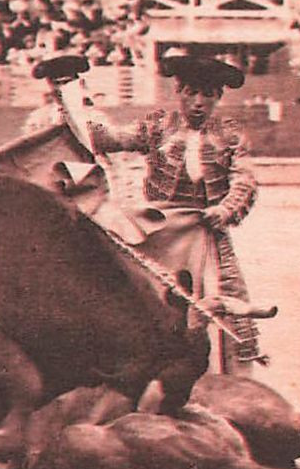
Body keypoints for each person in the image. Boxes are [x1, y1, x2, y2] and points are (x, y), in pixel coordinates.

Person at [88, 53, 269, 373]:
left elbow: (245, 179)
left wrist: (225, 209)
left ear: (218, 97)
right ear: (179, 92)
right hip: (156, 230)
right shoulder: (158, 125)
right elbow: (112, 138)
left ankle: (233, 375)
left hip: (205, 230)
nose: (198, 102)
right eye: (191, 93)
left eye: (207, 95)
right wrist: (75, 108)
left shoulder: (230, 135)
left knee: (231, 302)